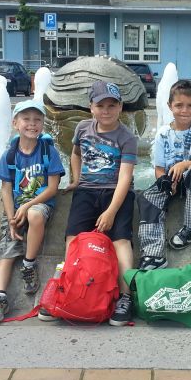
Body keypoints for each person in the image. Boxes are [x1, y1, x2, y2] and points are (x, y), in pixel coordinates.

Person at [59, 80, 138, 326]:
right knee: (73, 238)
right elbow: (76, 154)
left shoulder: (127, 137)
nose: (106, 111)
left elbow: (125, 177)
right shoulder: (83, 128)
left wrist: (111, 211)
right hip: (86, 191)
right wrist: (76, 179)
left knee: (121, 241)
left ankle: (125, 297)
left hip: (117, 192)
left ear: (120, 107)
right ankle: (68, 287)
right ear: (91, 107)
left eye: (112, 105)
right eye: (100, 105)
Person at [0, 100, 65, 324]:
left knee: (34, 215)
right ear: (15, 123)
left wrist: (27, 206)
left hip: (39, 204)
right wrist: (11, 217)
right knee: (7, 249)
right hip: (16, 208)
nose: (32, 124)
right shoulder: (9, 155)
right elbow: (6, 189)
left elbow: (52, 188)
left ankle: (29, 264)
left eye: (37, 120)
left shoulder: (48, 151)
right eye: (26, 119)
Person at [137, 80, 191, 270]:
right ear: (169, 106)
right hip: (173, 182)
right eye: (179, 105)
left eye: (190, 105)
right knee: (147, 197)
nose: (184, 110)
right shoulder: (163, 133)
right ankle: (153, 253)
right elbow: (159, 168)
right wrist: (165, 181)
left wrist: (184, 164)